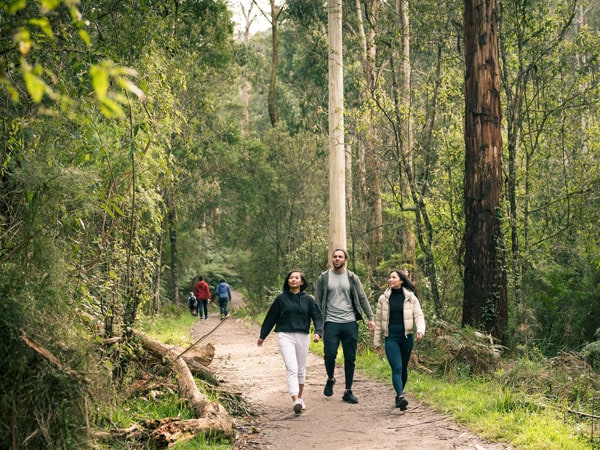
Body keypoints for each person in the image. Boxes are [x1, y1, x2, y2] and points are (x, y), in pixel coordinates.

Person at [257, 270, 323, 414]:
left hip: (303, 336)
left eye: (296, 278)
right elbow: (271, 318)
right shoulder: (281, 299)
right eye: (291, 278)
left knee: (301, 369)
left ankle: (299, 398)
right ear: (288, 281)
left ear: (302, 282)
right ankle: (295, 400)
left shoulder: (309, 300)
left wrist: (318, 332)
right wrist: (263, 335)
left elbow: (318, 317)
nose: (293, 280)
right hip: (285, 336)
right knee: (291, 368)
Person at [315, 249, 375, 404]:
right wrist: (317, 325)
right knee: (329, 354)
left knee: (350, 358)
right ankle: (330, 378)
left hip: (349, 322)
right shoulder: (323, 277)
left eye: (340, 256)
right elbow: (317, 301)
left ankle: (348, 391)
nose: (337, 259)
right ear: (331, 259)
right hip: (331, 322)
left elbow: (362, 298)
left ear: (345, 259)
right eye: (334, 256)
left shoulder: (352, 277)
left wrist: (371, 318)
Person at [373, 269, 425, 411]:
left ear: (401, 280)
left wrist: (420, 330)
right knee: (397, 367)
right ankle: (401, 396)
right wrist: (377, 342)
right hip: (391, 338)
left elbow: (419, 316)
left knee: (403, 369)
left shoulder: (411, 298)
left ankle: (398, 395)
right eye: (389, 277)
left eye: (393, 277)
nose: (390, 279)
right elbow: (378, 322)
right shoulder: (383, 299)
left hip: (407, 337)